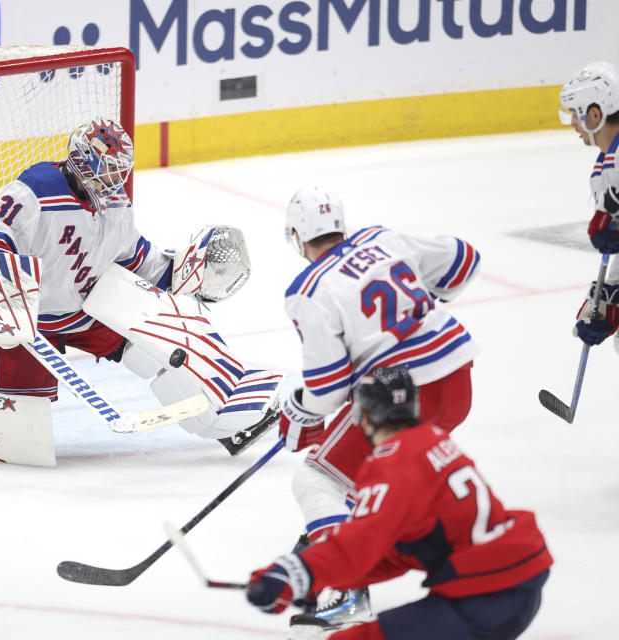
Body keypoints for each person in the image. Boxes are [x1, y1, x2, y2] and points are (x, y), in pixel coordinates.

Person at [0, 117, 277, 455]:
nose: (116, 178)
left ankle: (222, 419)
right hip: (27, 320)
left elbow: (134, 254)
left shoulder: (115, 203)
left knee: (162, 348)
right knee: (20, 426)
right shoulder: (37, 188)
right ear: (85, 162)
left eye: (119, 170)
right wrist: (7, 297)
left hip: (85, 313)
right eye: (109, 169)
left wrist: (177, 274)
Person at [274, 186, 481, 625]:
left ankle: (346, 591)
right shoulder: (381, 239)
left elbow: (328, 388)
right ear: (340, 225)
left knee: (319, 481)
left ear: (297, 237)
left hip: (403, 395)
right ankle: (321, 555)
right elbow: (464, 258)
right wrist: (423, 308)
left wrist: (297, 410)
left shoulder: (308, 289)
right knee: (367, 478)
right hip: (458, 382)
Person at [246, 365, 553, 640]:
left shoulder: (391, 463)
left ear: (363, 417)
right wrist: (310, 581)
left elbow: (359, 545)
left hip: (484, 596)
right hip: (517, 582)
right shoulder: (432, 439)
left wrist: (295, 572)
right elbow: (400, 553)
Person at [558, 62, 619, 347]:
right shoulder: (605, 167)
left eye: (575, 114)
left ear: (595, 114)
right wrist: (610, 292)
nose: (572, 123)